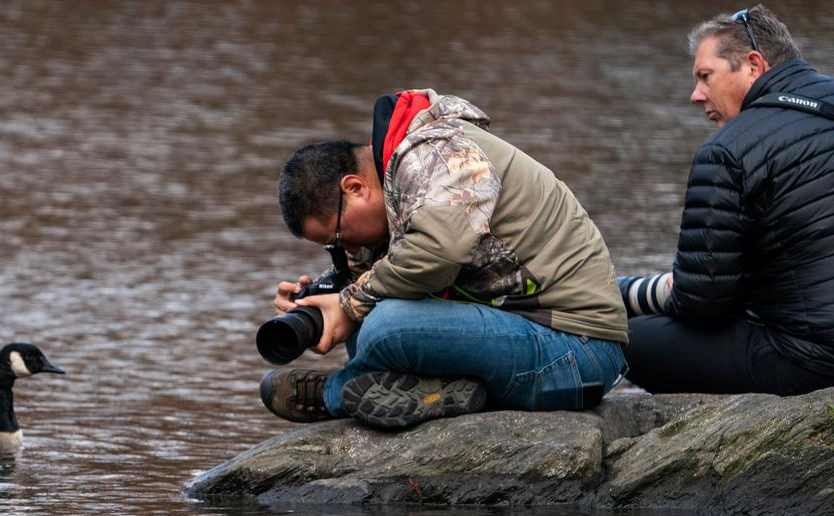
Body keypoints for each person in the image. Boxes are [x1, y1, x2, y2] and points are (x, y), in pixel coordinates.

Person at [261, 89, 628, 429]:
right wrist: (317, 302)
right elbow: (402, 263)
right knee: (366, 333)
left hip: (579, 351)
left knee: (386, 326)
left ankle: (333, 395)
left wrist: (351, 302)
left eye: (339, 237)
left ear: (354, 187)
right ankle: (445, 394)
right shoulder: (403, 176)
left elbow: (440, 251)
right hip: (536, 340)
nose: (349, 250)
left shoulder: (435, 152)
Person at [617, 5, 834, 395]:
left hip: (810, 361)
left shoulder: (726, 151)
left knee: (624, 337)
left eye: (705, 77)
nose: (695, 95)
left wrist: (628, 293)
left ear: (753, 65)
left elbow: (704, 306)